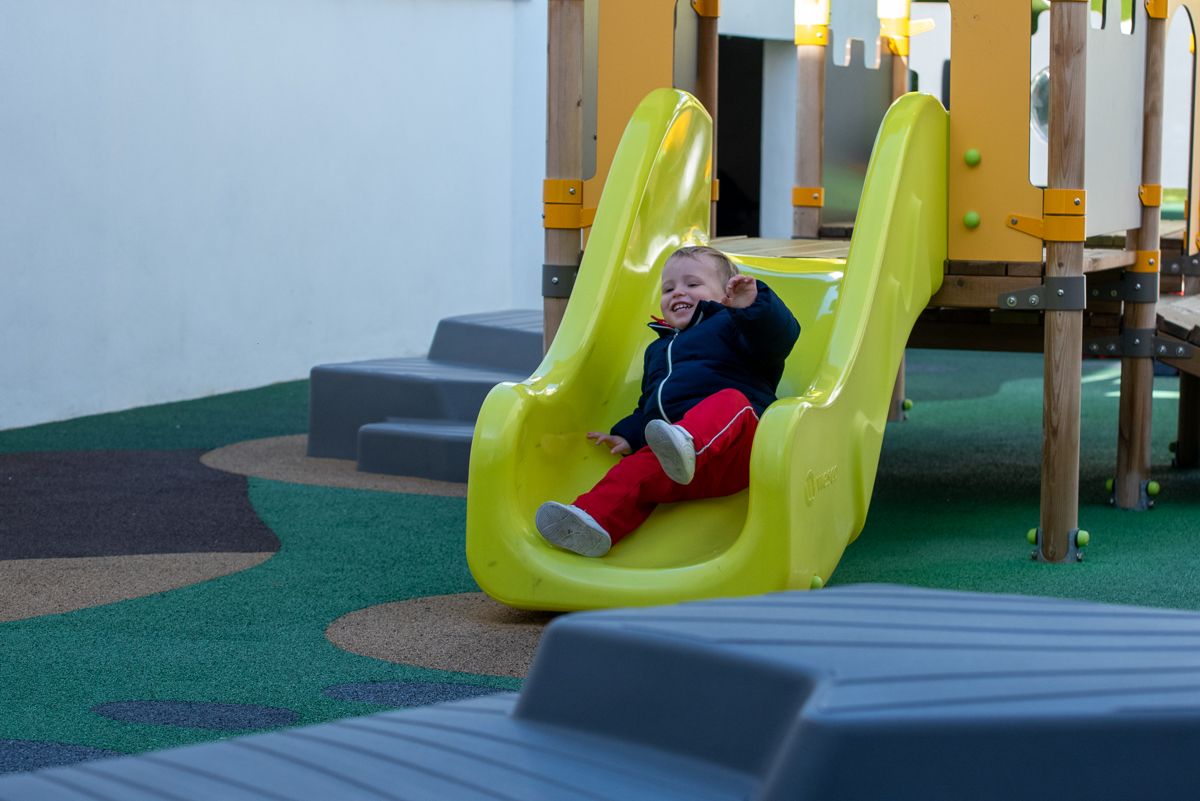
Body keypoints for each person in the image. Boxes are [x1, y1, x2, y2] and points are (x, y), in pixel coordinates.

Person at [535, 245, 801, 556]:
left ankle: (686, 440)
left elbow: (779, 338)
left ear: (726, 295)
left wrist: (752, 305)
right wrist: (630, 433)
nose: (677, 293)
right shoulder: (657, 351)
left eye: (692, 284)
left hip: (741, 450)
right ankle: (592, 522)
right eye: (668, 288)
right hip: (683, 466)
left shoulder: (734, 326)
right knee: (636, 470)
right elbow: (650, 401)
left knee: (731, 401)